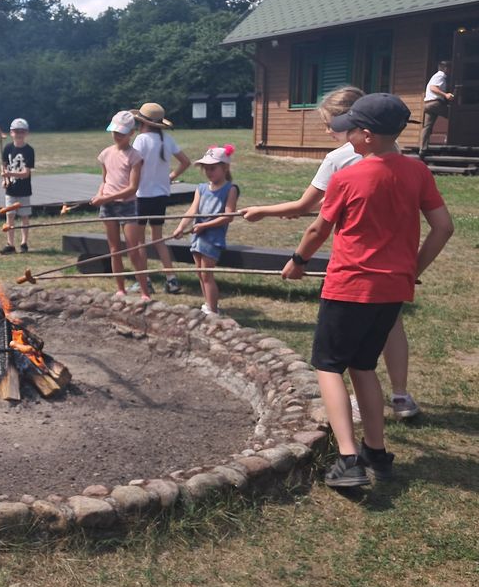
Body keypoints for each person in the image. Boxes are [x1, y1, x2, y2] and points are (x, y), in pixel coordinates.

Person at [281, 93, 452, 488]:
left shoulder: (347, 177)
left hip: (349, 286)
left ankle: (347, 459)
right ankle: (376, 450)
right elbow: (443, 227)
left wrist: (298, 261)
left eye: (352, 131)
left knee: (327, 366)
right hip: (392, 291)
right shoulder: (418, 172)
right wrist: (411, 271)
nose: (347, 137)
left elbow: (316, 229)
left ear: (369, 136)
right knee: (363, 366)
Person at [241, 86, 422, 419]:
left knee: (344, 348)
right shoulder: (399, 154)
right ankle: (400, 396)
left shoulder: (339, 159)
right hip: (395, 263)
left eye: (332, 124)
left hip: (356, 266)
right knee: (391, 326)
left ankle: (356, 408)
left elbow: (306, 207)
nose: (329, 131)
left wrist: (262, 211)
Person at [89, 111, 151, 301]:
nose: (117, 136)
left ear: (131, 133)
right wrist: (100, 195)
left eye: (121, 133)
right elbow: (105, 181)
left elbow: (132, 188)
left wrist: (105, 198)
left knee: (132, 249)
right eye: (115, 132)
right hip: (108, 206)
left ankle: (144, 292)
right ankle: (120, 289)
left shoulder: (135, 157)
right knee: (114, 249)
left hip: (127, 206)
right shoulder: (106, 154)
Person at [130, 102, 191, 295]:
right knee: (158, 238)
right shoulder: (166, 139)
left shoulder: (140, 140)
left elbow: (134, 165)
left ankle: (144, 280)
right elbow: (185, 162)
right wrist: (170, 176)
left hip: (142, 195)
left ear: (142, 123)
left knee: (140, 241)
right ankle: (171, 279)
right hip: (161, 195)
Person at [171, 145, 240, 316]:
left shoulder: (230, 189)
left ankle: (213, 311)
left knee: (207, 274)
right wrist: (181, 227)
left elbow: (228, 216)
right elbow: (192, 211)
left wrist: (204, 226)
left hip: (213, 237)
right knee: (200, 274)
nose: (209, 172)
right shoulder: (201, 188)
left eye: (213, 168)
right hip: (198, 237)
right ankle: (208, 305)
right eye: (206, 169)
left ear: (225, 168)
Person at [0, 117, 35, 254]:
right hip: (11, 190)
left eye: (22, 131)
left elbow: (26, 173)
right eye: (16, 131)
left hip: (24, 190)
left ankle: (24, 243)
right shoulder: (7, 148)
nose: (19, 134)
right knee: (10, 216)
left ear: (26, 133)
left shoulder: (29, 150)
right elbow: (3, 166)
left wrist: (9, 173)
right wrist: (5, 179)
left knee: (24, 217)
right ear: (11, 132)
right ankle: (10, 244)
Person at [421, 60, 453, 150]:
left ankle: (423, 148)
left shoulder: (434, 76)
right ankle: (456, 140)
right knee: (454, 116)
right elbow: (433, 88)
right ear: (445, 68)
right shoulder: (440, 75)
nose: (450, 71)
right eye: (449, 68)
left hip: (428, 104)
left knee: (427, 127)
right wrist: (445, 95)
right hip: (435, 103)